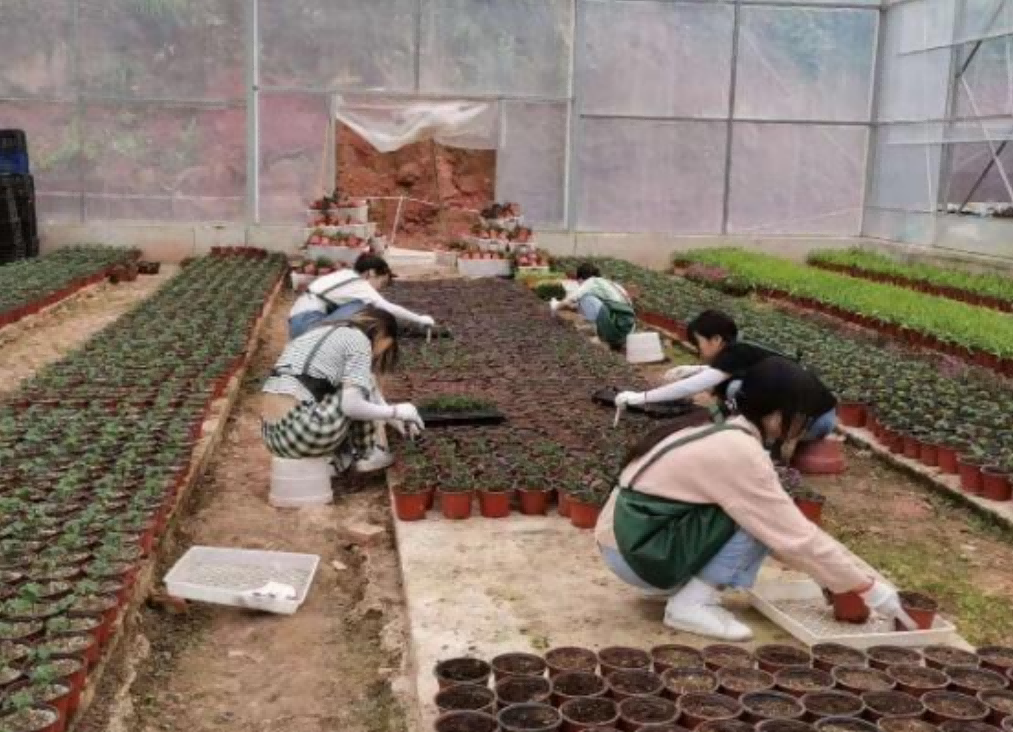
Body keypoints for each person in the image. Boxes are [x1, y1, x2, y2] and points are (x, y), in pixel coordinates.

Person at [595, 357, 913, 641]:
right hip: (638, 552)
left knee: (761, 517)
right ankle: (691, 605)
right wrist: (872, 591)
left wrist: (832, 578)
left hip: (629, 538)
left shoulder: (720, 422)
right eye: (802, 418)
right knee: (757, 523)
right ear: (775, 414)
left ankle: (680, 588)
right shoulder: (740, 451)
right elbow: (792, 536)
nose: (805, 428)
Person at [615, 310, 837, 456]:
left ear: (716, 340)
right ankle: (768, 441)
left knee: (734, 390)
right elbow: (724, 373)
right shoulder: (742, 350)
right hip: (824, 416)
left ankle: (768, 445)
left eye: (699, 343)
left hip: (810, 423)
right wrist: (693, 369)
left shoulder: (733, 354)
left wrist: (641, 397)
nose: (698, 350)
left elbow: (694, 386)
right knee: (737, 390)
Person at [261, 307, 425, 474]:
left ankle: (338, 460)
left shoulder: (321, 332)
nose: (382, 352)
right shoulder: (359, 341)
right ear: (382, 336)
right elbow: (352, 405)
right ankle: (367, 455)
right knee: (359, 385)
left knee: (352, 383)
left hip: (274, 437)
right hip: (304, 435)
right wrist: (396, 411)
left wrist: (393, 418)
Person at [288, 254, 436, 341]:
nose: (380, 288)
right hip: (307, 325)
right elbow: (388, 307)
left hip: (298, 323)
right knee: (362, 308)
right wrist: (420, 319)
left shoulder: (346, 275)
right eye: (382, 282)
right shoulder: (360, 284)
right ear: (371, 273)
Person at [550, 262, 636, 349]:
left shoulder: (591, 281)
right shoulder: (611, 284)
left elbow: (571, 299)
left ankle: (600, 337)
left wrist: (555, 307)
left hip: (616, 327)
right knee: (586, 301)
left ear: (580, 278)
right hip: (627, 331)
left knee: (585, 298)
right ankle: (612, 341)